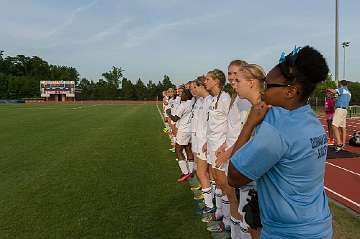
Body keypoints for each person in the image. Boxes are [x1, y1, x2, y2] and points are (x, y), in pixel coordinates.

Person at [228, 46, 333, 239]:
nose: (264, 91)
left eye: (268, 85)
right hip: (318, 225)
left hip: (289, 233)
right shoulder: (310, 119)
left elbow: (234, 177)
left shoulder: (278, 130)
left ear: (291, 91)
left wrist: (249, 124)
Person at [202, 69, 232, 233]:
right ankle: (221, 213)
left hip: (221, 147)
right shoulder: (214, 98)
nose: (205, 82)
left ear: (216, 81)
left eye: (207, 79)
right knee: (217, 181)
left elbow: (231, 124)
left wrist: (225, 147)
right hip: (212, 144)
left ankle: (228, 221)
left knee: (224, 183)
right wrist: (207, 141)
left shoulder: (225, 98)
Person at [166, 89, 194, 183]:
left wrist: (168, 112)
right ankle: (191, 171)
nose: (180, 95)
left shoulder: (183, 105)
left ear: (186, 95)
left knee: (178, 150)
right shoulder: (193, 103)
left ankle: (185, 172)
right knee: (188, 149)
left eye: (182, 94)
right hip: (191, 129)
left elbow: (175, 118)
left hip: (183, 130)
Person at [329, 80, 352, 152]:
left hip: (340, 109)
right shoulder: (349, 93)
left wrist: (328, 89)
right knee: (343, 128)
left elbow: (333, 91)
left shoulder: (342, 89)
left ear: (341, 84)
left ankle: (339, 143)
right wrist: (334, 98)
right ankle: (342, 144)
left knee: (334, 126)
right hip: (345, 110)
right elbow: (339, 98)